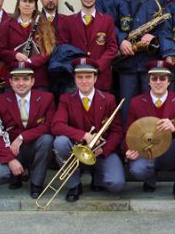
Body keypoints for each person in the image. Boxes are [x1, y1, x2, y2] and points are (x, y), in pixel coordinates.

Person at [51, 58, 125, 201]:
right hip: (75, 149)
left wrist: (104, 149)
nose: (84, 81)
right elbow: (56, 126)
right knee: (60, 142)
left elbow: (117, 131)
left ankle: (97, 175)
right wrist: (84, 135)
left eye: (88, 77)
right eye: (80, 77)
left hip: (100, 150)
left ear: (95, 78)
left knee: (116, 184)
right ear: (74, 78)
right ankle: (74, 185)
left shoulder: (108, 99)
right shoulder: (66, 99)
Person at [125, 61, 175, 202]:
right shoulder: (136, 102)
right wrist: (128, 150)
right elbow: (128, 130)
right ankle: (150, 179)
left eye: (162, 78)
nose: (158, 82)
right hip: (148, 151)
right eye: (154, 78)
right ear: (149, 82)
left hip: (171, 151)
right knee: (137, 169)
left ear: (169, 82)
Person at [0, 66, 55, 198]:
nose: (21, 83)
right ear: (10, 82)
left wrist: (23, 136)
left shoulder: (47, 98)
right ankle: (15, 175)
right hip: (10, 149)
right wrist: (10, 160)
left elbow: (49, 125)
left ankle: (36, 183)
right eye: (16, 79)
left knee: (47, 139)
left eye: (25, 79)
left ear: (32, 81)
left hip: (33, 146)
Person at [114, 0, 167, 122]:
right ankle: (127, 137)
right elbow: (110, 24)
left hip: (148, 62)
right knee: (126, 106)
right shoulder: (119, 0)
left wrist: (153, 36)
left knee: (149, 106)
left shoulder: (158, 0)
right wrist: (121, 40)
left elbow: (165, 27)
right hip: (126, 62)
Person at [58, 0, 118, 93]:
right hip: (77, 79)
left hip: (100, 78)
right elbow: (63, 50)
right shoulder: (68, 21)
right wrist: (78, 68)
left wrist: (97, 66)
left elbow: (112, 48)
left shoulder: (107, 20)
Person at [0, 0, 56, 90]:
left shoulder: (44, 25)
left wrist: (29, 61)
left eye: (31, 2)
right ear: (18, 4)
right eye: (24, 1)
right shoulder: (6, 25)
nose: (27, 5)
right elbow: (0, 50)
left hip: (38, 79)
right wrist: (15, 55)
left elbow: (47, 51)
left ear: (35, 6)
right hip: (14, 77)